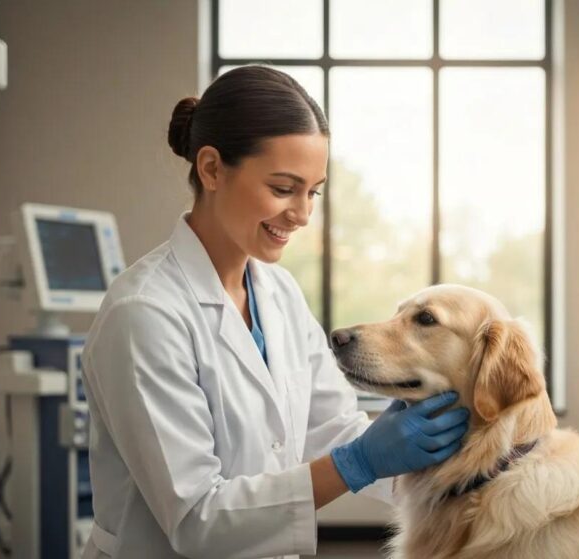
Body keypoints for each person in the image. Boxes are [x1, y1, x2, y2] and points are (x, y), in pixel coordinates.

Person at [80, 65, 470, 559]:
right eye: (284, 189)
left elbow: (330, 429)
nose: (304, 214)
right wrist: (360, 462)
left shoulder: (278, 293)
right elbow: (197, 518)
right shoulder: (144, 314)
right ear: (212, 169)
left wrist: (450, 466)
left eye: (314, 191)